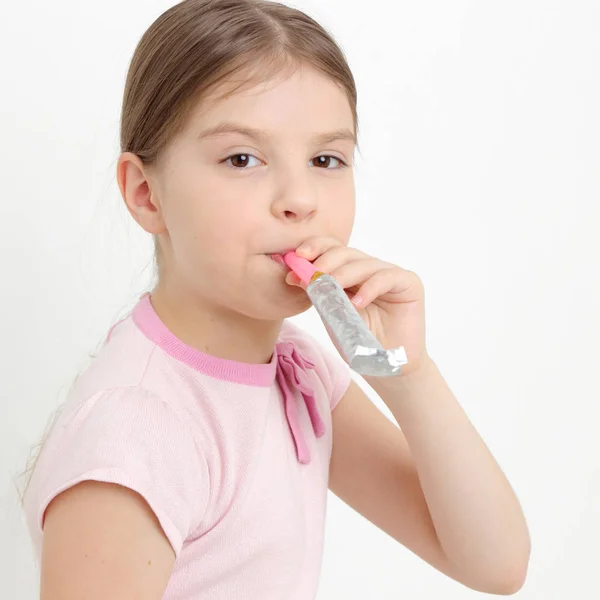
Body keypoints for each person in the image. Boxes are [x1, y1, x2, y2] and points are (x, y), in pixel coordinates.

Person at [21, 1, 531, 598]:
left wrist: (402, 372)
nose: (300, 198)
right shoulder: (137, 430)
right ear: (146, 194)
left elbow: (495, 564)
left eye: (325, 159)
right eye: (243, 158)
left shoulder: (298, 369)